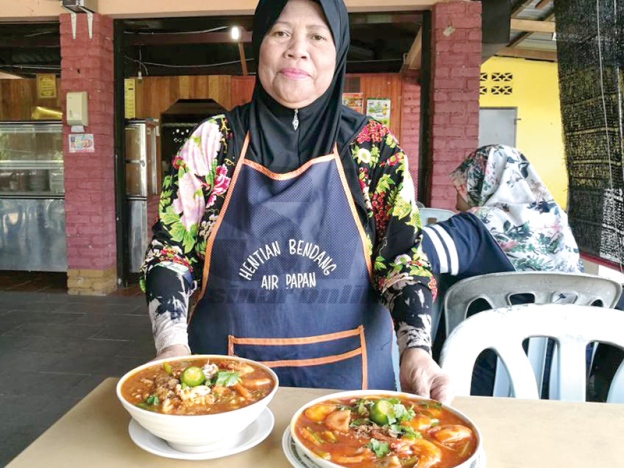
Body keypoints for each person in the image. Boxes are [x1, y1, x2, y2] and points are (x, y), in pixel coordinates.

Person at [140, 0, 452, 403]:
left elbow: (404, 261)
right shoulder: (213, 143)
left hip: (351, 382)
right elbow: (170, 254)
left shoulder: (373, 149)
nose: (297, 49)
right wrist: (172, 346)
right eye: (281, 32)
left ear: (338, 51)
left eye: (318, 36)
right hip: (223, 381)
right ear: (261, 46)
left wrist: (416, 349)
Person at [420, 144, 583, 395]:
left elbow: (410, 249)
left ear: (481, 181)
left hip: (483, 374)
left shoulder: (478, 228)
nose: (457, 192)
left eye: (462, 183)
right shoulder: (558, 223)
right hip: (564, 374)